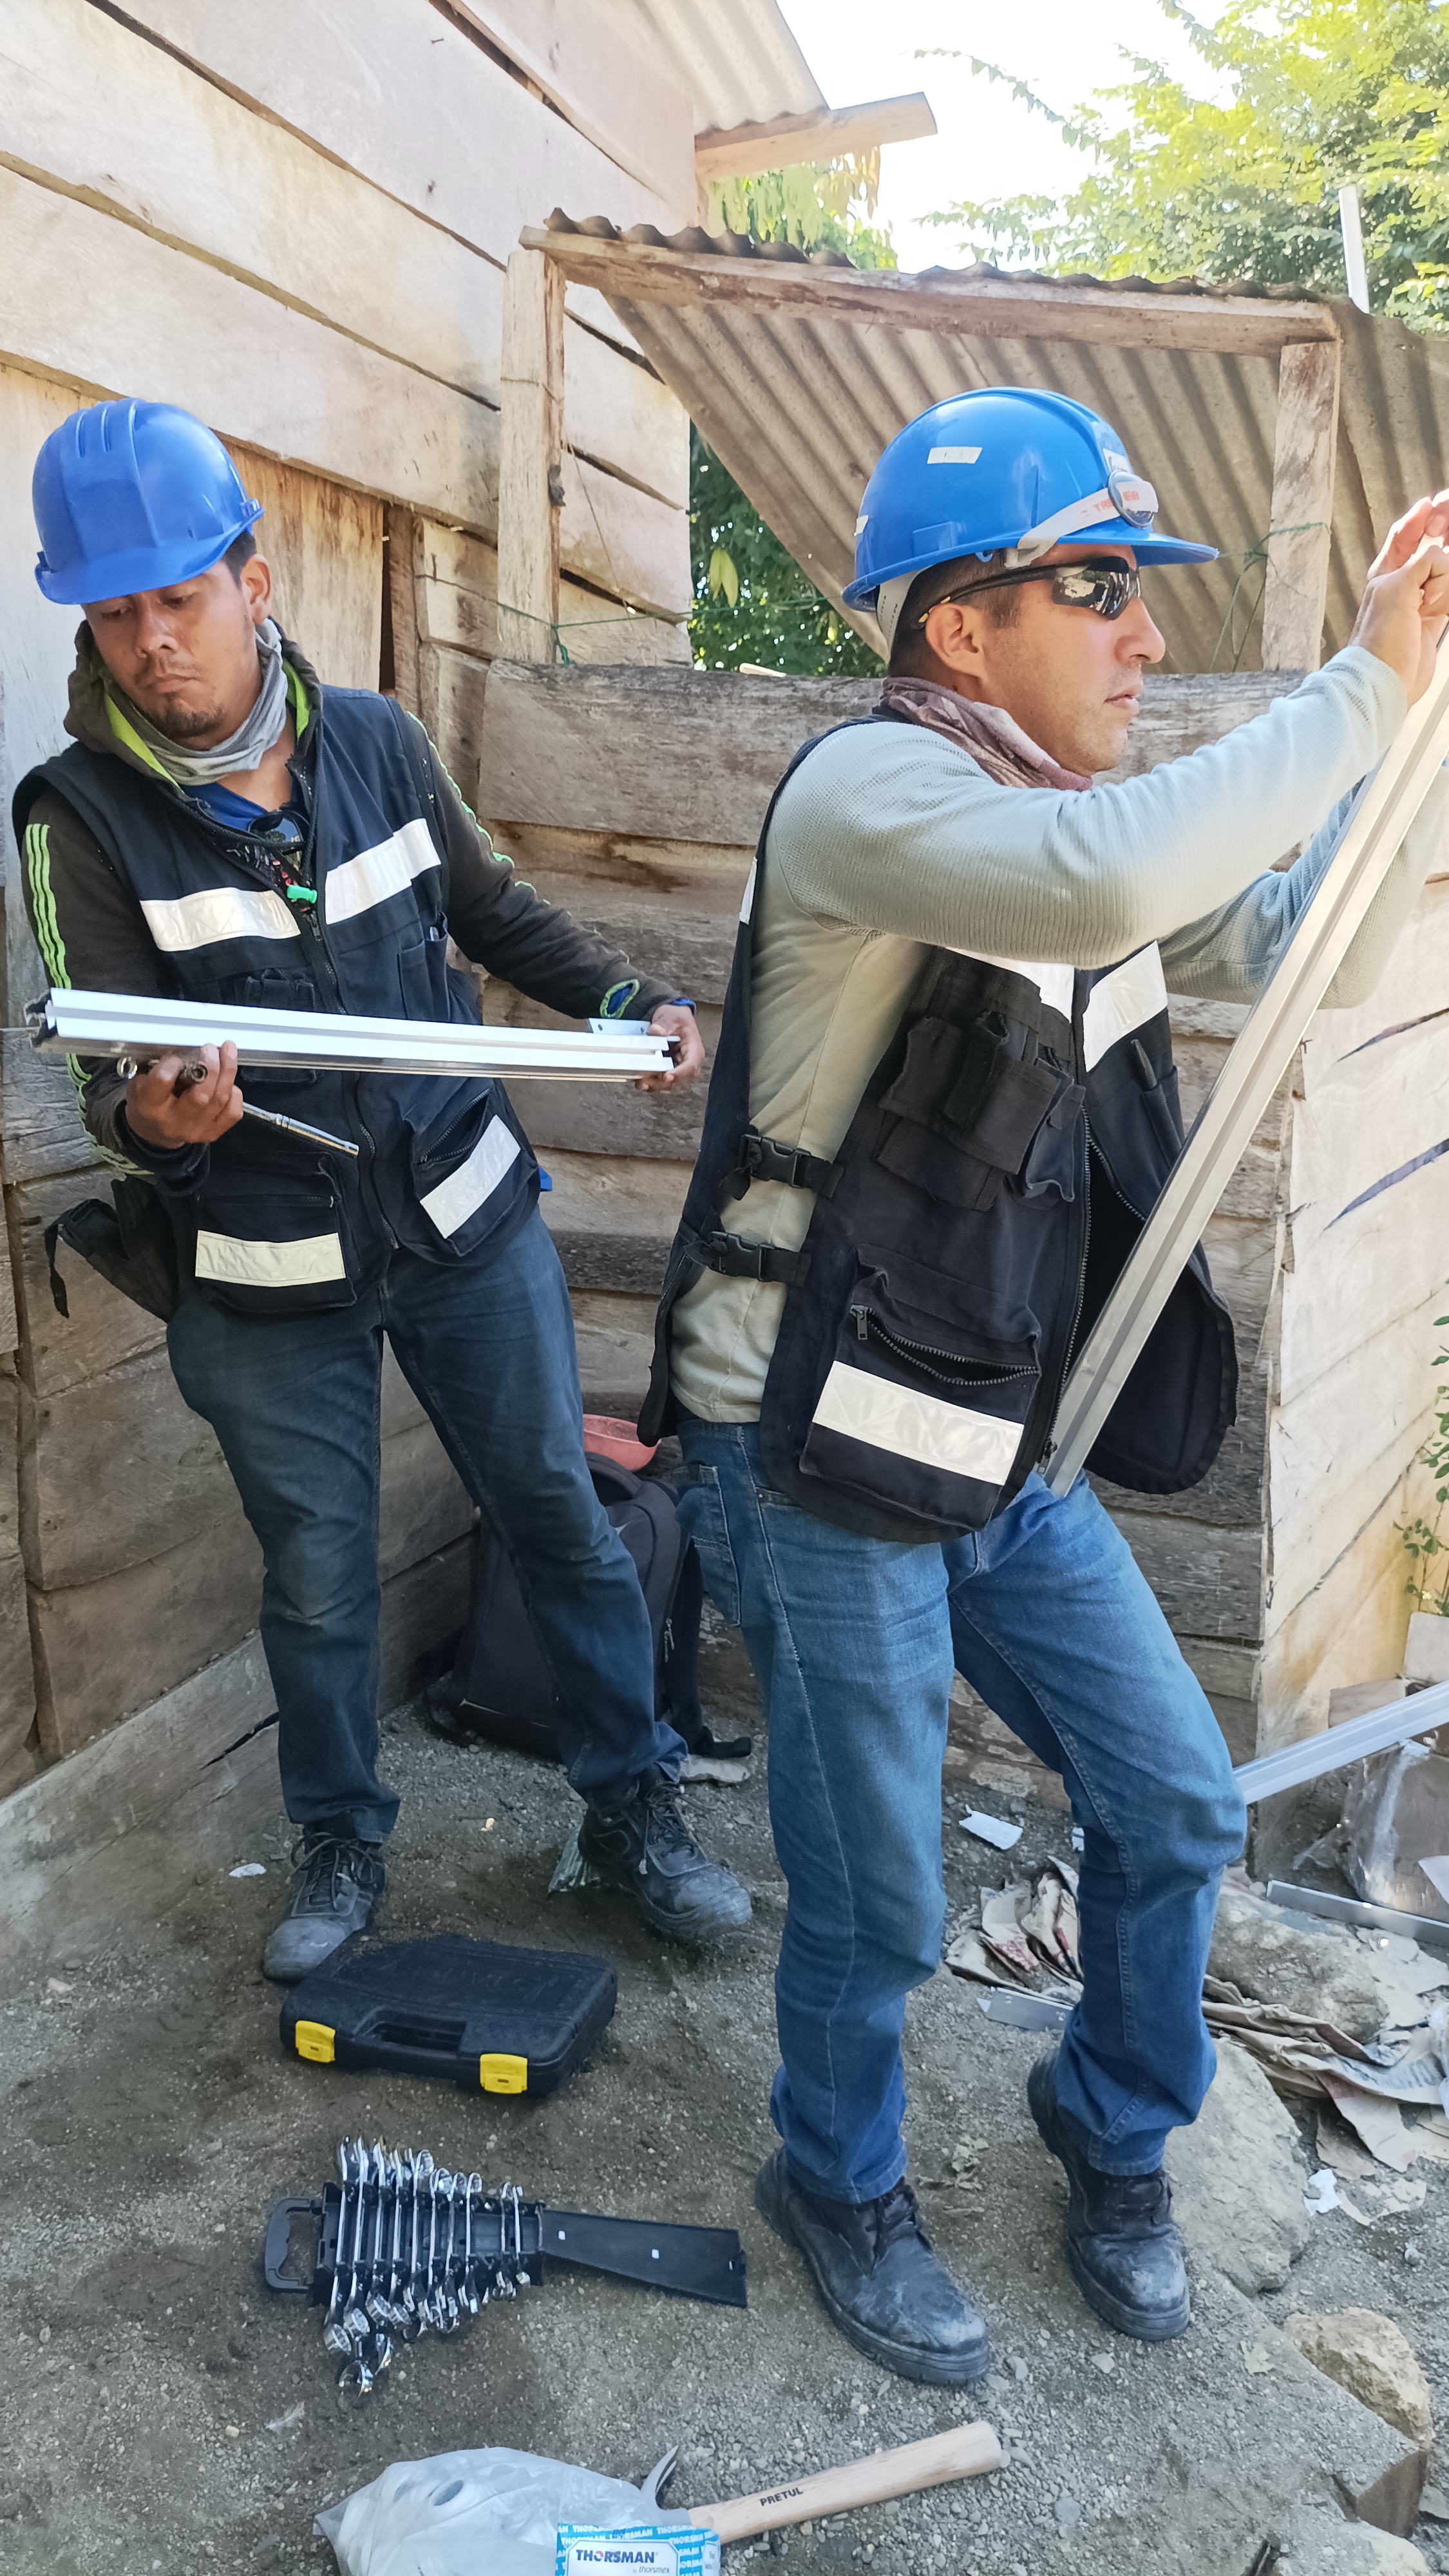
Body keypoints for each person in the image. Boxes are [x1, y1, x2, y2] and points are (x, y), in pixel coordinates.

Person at [639, 386, 1449, 2385]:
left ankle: (1108, 2124)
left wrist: (1416, 720)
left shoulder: (1053, 823)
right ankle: (835, 2177)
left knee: (1171, 1802)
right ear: (957, 626)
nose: (1145, 636)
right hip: (810, 1443)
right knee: (877, 1884)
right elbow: (1100, 882)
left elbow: (1308, 944)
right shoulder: (878, 800)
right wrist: (1353, 680)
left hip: (991, 1424)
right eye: (1099, 589)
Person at [17, 397, 751, 1981]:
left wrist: (626, 997)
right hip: (263, 1267)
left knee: (559, 1512)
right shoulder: (72, 818)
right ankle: (342, 1838)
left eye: (179, 598)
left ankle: (632, 1805)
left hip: (465, 1219)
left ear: (252, 582)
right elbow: (107, 1088)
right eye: (116, 613)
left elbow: (496, 911)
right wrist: (163, 1120)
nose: (153, 641)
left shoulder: (381, 744)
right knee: (318, 1575)